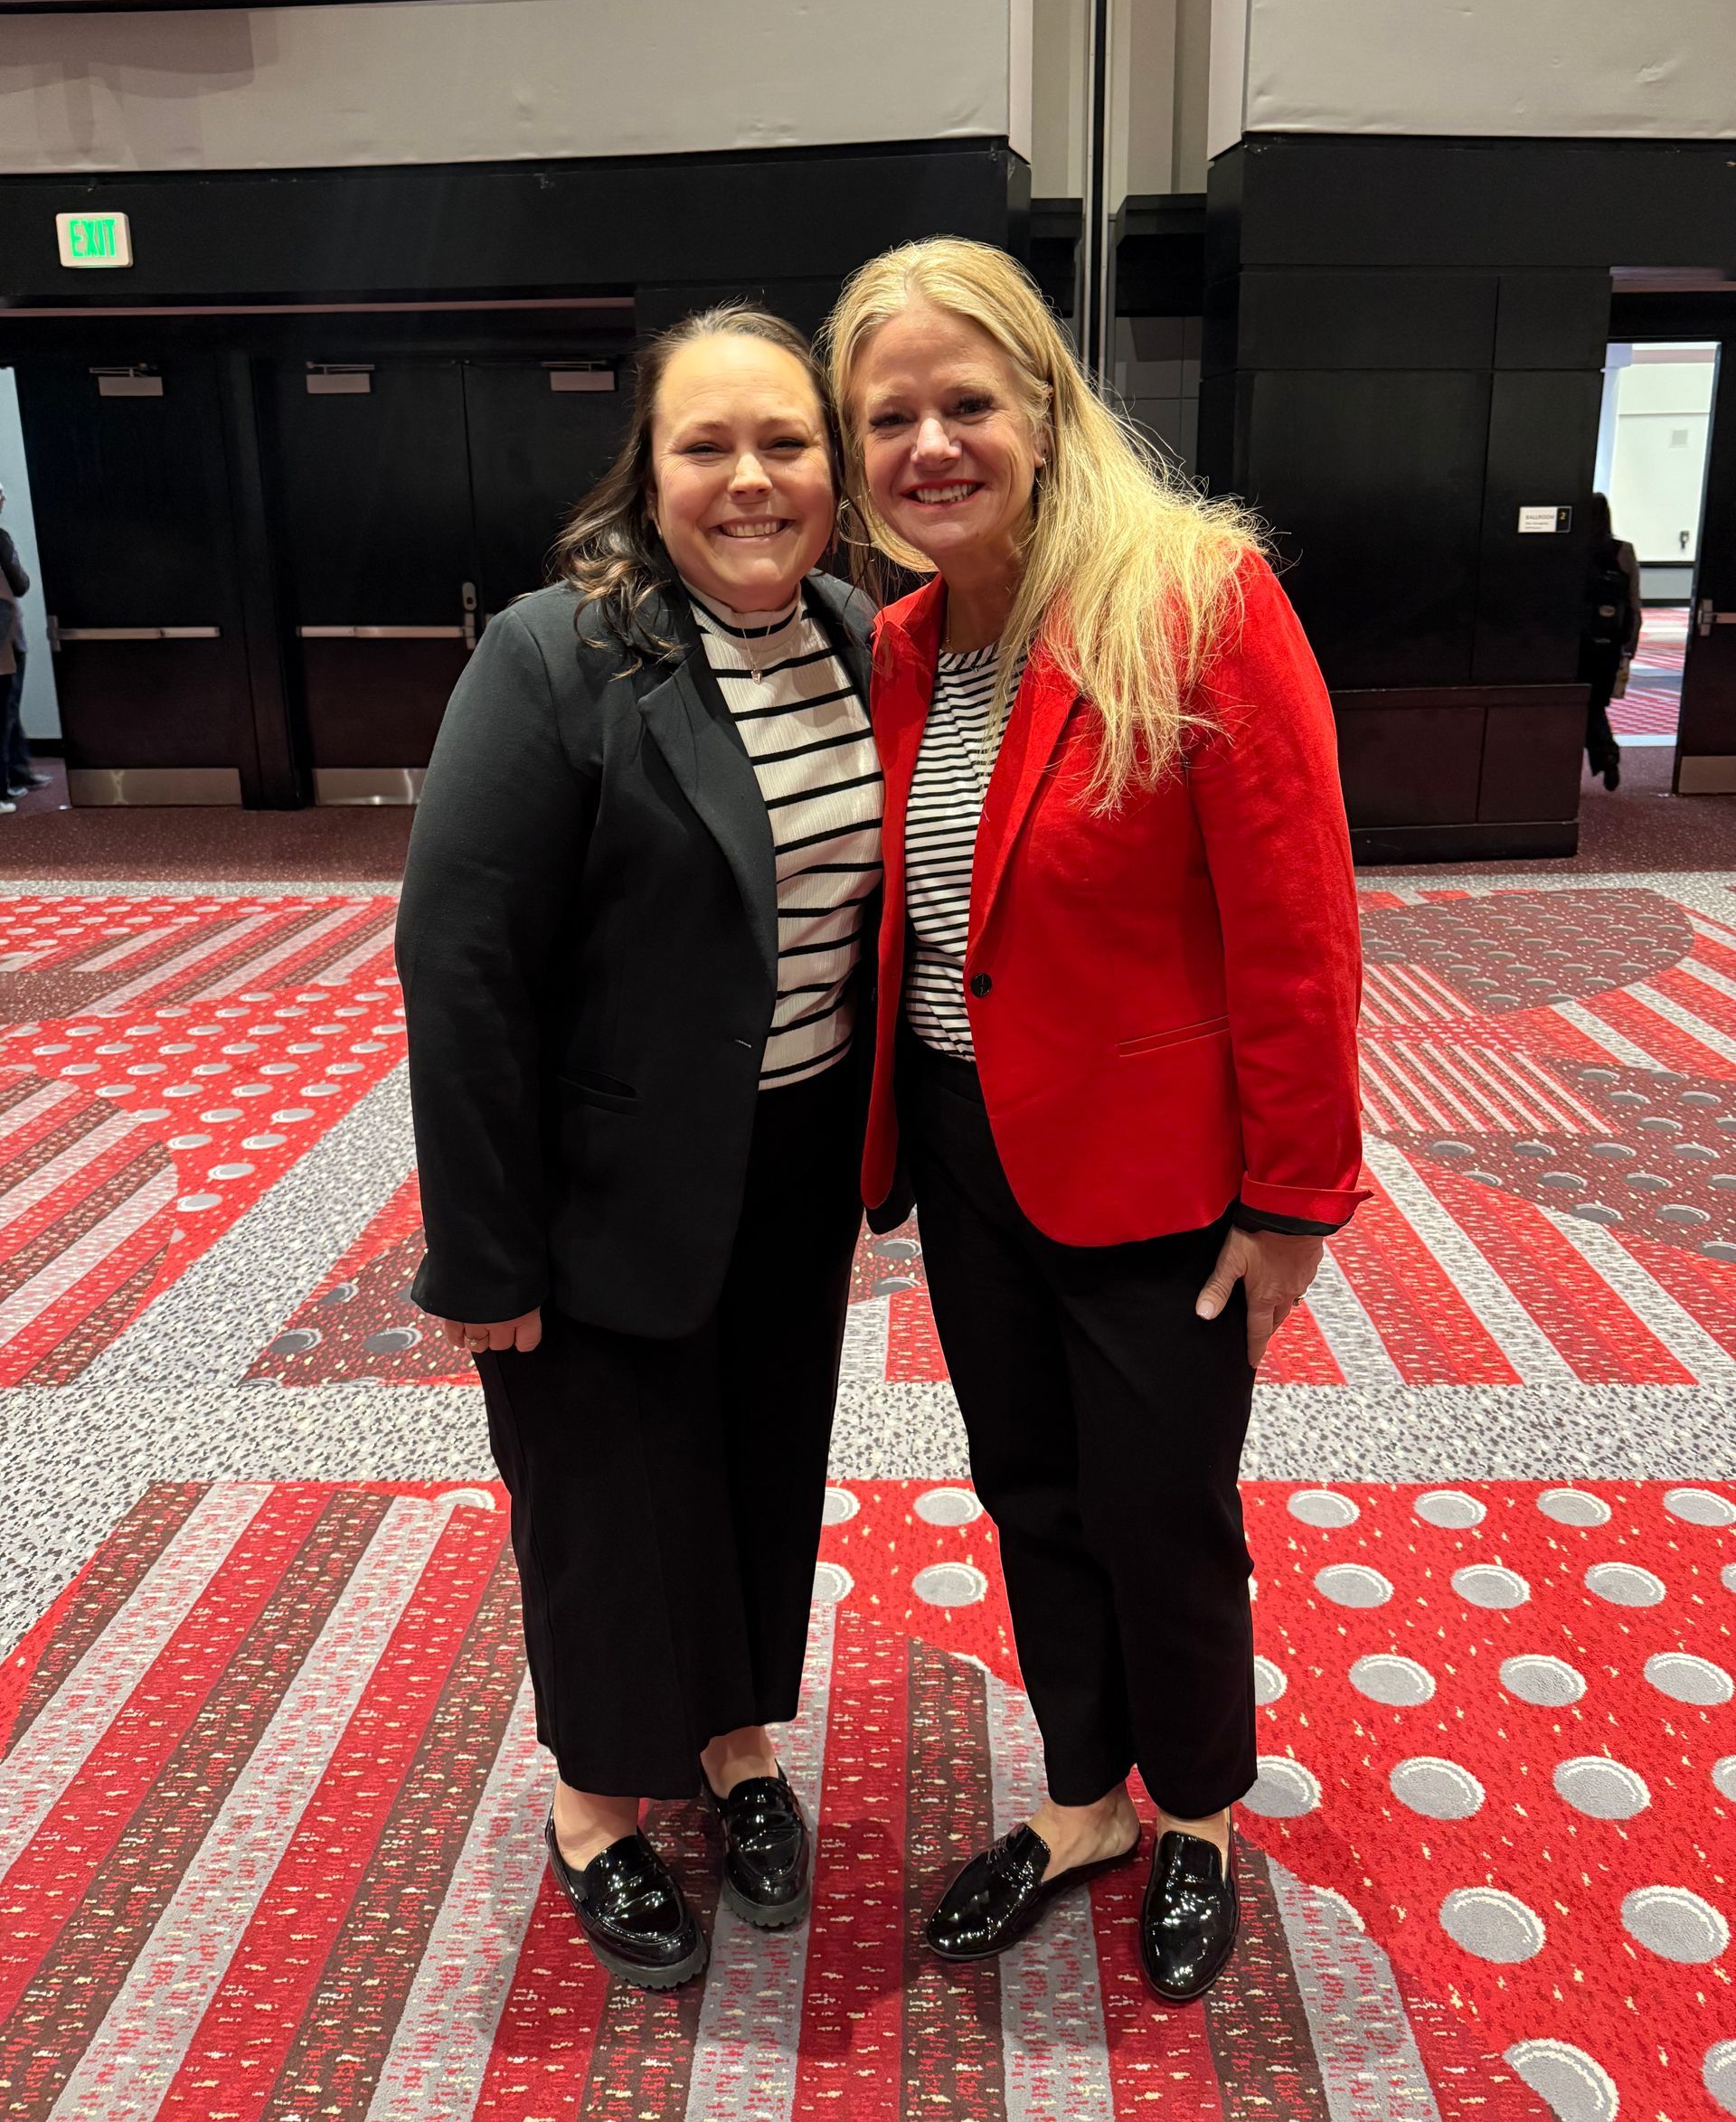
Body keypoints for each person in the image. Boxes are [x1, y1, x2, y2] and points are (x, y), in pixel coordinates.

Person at [821, 239, 1364, 2004]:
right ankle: (1083, 1800)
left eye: (965, 402)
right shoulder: (905, 639)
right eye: (888, 413)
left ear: (1047, 408)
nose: (928, 444)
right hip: (972, 1159)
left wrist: (1292, 1200)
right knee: (1032, 1492)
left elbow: (1296, 924)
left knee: (1163, 1506)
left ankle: (1196, 1806)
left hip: (1154, 1175)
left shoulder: (1194, 594)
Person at [396, 307, 882, 1989]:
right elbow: (459, 970)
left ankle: (739, 1746)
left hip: (796, 1160)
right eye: (707, 446)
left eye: (787, 443)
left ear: (834, 466)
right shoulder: (556, 655)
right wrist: (483, 1254)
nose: (752, 479)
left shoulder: (857, 632)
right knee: (605, 1507)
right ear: (648, 472)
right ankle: (601, 1804)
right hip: (597, 1191)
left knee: (758, 1464)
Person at [1580, 491, 1642, 791]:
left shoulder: (1572, 550)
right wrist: (1629, 648)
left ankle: (1605, 752)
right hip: (1607, 644)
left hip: (1574, 642)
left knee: (1581, 704)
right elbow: (1633, 605)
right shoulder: (1623, 551)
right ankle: (1605, 754)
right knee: (1592, 703)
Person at [0, 485, 48, 809]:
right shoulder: (0, 537)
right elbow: (20, 582)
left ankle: (19, 770)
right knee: (4, 709)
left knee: (9, 708)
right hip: (5, 637)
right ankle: (4, 783)